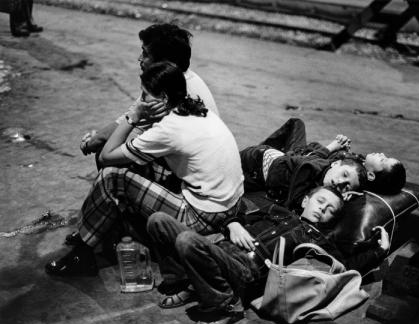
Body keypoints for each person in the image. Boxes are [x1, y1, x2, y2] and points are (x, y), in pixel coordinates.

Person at [45, 61, 244, 277]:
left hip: (202, 215)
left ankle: (82, 254)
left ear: (164, 99)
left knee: (112, 177)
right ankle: (98, 230)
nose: (140, 101)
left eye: (145, 95)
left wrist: (132, 117)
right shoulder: (196, 109)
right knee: (135, 161)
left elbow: (106, 156)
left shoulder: (169, 128)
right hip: (228, 206)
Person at [146, 186, 390, 324]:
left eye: (329, 211)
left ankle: (227, 305)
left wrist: (379, 251)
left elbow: (345, 265)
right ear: (306, 200)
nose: (321, 210)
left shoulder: (318, 239)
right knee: (158, 221)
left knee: (187, 240)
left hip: (247, 270)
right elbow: (239, 214)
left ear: (331, 220)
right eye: (320, 201)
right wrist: (233, 224)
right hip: (219, 247)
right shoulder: (277, 210)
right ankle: (184, 281)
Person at [79, 23, 219, 158]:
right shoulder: (183, 76)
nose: (140, 58)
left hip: (193, 172)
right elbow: (129, 119)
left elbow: (128, 125)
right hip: (206, 160)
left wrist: (90, 143)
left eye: (145, 54)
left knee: (108, 154)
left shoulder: (166, 87)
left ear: (164, 62)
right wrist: (98, 137)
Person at [253, 117, 406, 195]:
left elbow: (316, 163)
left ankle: (261, 154)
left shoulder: (352, 178)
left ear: (371, 175)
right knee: (296, 124)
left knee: (296, 124)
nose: (381, 154)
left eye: (383, 160)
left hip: (300, 158)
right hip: (305, 155)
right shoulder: (359, 163)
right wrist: (344, 148)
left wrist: (332, 148)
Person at [240, 139, 368, 211]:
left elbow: (316, 155)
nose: (340, 182)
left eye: (346, 186)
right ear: (336, 164)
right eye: (344, 174)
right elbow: (293, 202)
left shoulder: (325, 169)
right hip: (256, 162)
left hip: (268, 168)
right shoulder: (311, 169)